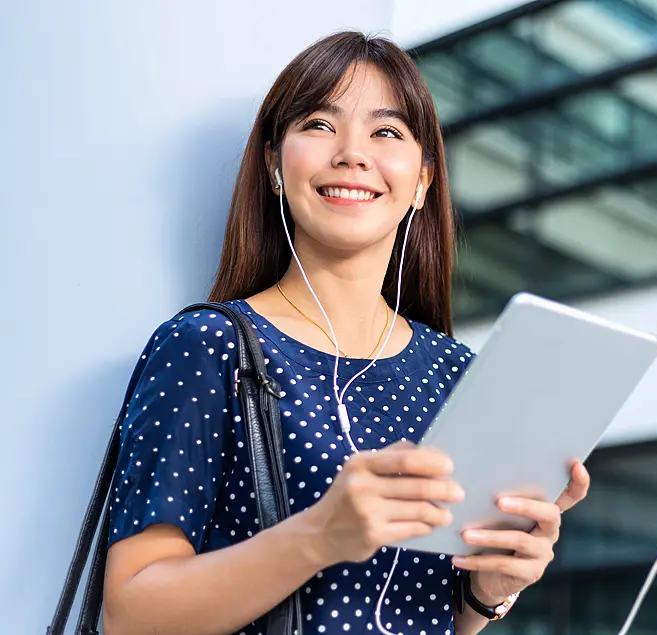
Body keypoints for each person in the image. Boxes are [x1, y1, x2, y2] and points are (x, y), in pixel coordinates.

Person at [102, 30, 590, 635]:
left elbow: (433, 619)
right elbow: (131, 615)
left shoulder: (457, 372)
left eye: (386, 133)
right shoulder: (208, 346)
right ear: (275, 165)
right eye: (319, 124)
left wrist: (489, 592)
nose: (353, 153)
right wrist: (320, 535)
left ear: (422, 181)